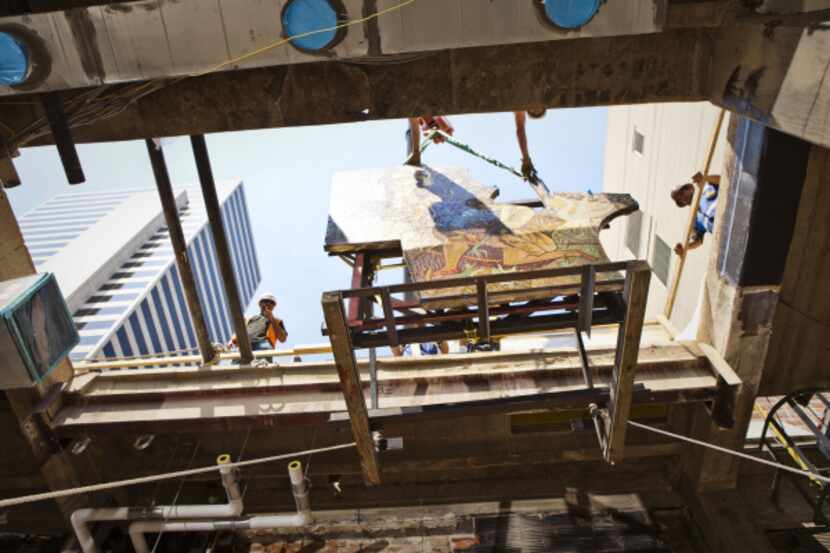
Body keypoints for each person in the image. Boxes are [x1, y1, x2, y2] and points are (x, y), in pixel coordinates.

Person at [405, 110, 546, 181]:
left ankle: (429, 126)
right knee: (432, 125)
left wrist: (526, 158)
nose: (533, 105)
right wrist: (416, 152)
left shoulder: (520, 107)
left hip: (425, 116)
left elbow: (520, 129)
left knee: (442, 130)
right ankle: (427, 129)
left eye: (534, 110)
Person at [670, 172, 720, 256]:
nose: (683, 198)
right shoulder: (694, 219)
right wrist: (685, 248)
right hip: (727, 231)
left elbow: (723, 180)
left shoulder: (705, 187)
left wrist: (706, 178)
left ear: (689, 188)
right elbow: (698, 241)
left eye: (682, 193)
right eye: (680, 199)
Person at [228, 293, 287, 360]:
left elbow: (282, 339)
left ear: (274, 306)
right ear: (260, 304)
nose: (268, 303)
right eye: (265, 301)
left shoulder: (277, 321)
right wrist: (232, 341)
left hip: (263, 344)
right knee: (238, 367)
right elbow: (240, 331)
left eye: (271, 302)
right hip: (244, 344)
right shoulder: (249, 319)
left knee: (262, 366)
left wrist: (272, 318)